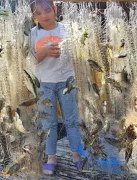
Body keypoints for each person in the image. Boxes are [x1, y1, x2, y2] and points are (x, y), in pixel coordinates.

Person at [29, 0, 82, 175]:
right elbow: (32, 60)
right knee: (48, 122)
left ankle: (76, 154)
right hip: (44, 83)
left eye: (47, 10)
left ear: (55, 9)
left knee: (71, 119)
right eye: (38, 13)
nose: (44, 16)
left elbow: (78, 52)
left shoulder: (67, 29)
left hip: (66, 81)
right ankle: (51, 157)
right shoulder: (33, 33)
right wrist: (44, 52)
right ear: (34, 16)